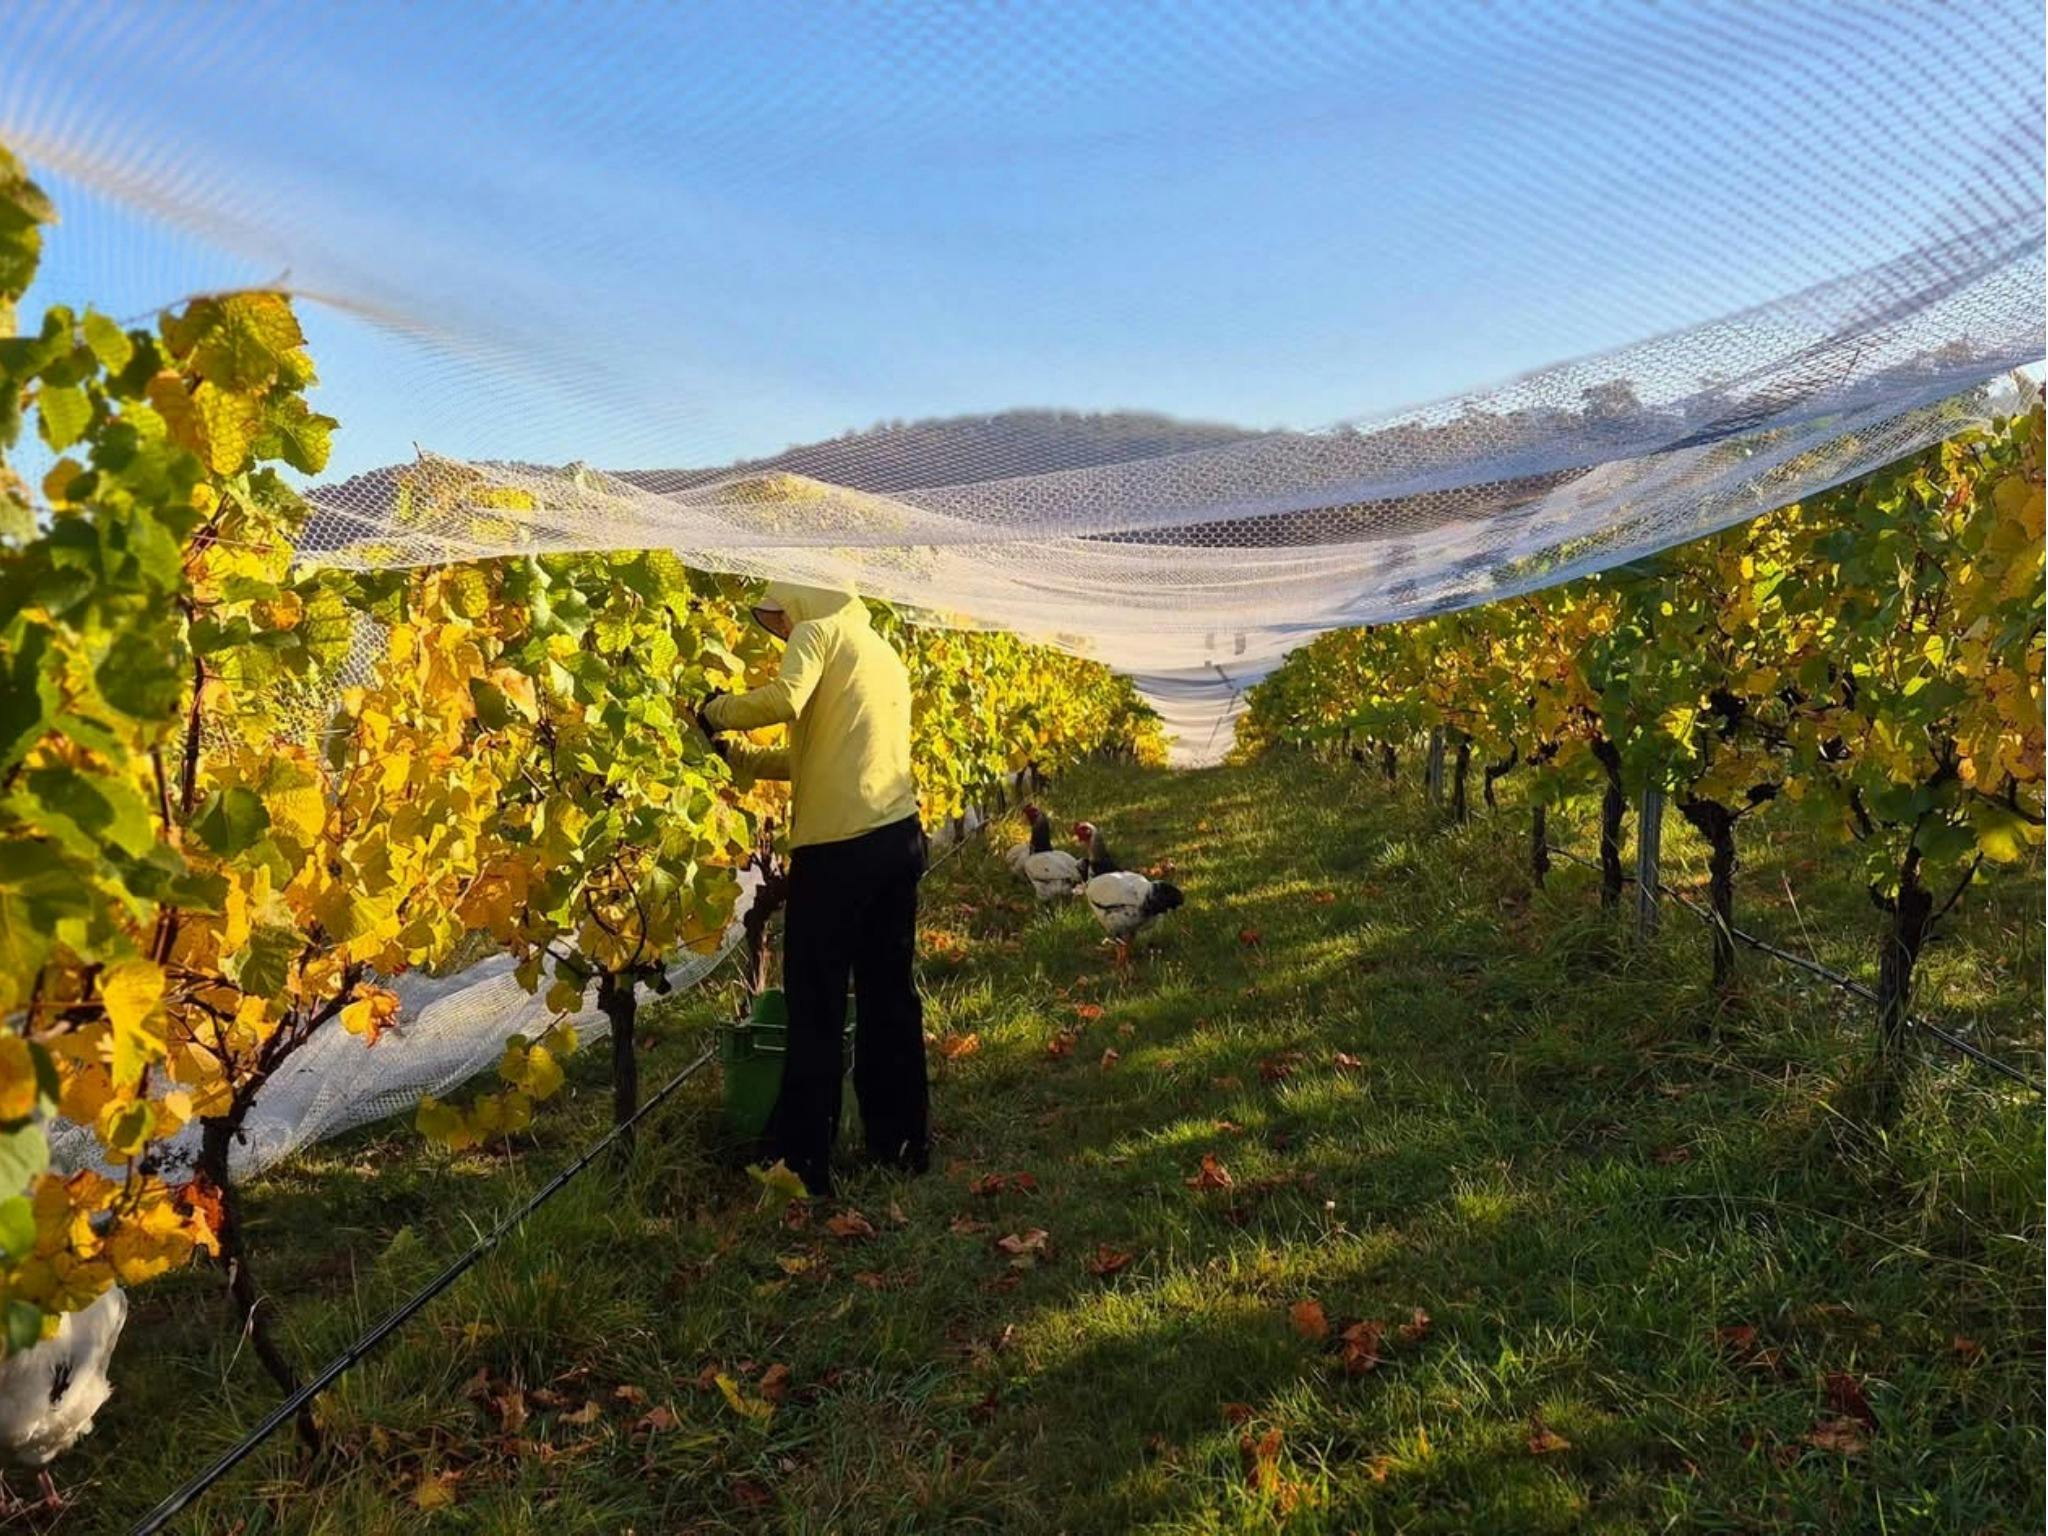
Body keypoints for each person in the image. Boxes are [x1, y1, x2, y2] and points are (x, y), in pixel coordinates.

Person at [698, 581, 927, 1198]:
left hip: (838, 853)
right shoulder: (878, 649)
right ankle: (902, 1145)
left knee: (816, 1004)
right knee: (888, 998)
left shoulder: (816, 631)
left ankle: (803, 1165)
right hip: (898, 838)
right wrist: (745, 763)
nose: (779, 628)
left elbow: (784, 699)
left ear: (795, 601)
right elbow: (826, 753)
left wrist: (713, 710)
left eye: (780, 617)